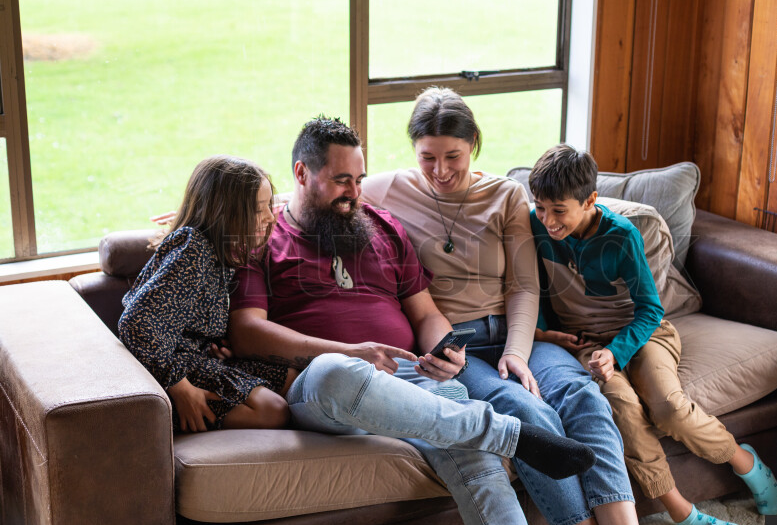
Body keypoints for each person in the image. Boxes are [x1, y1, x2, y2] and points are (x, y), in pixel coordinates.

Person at [118, 154, 593, 498]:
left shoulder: (225, 254)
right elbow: (137, 321)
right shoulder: (195, 249)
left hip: (213, 362)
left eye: (359, 179)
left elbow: (184, 319)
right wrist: (179, 385)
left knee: (274, 406)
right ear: (230, 212)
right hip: (194, 371)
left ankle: (504, 436)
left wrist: (208, 346)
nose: (270, 215)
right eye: (261, 208)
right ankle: (507, 434)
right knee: (291, 399)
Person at [226, 117, 593, 525]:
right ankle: (507, 433)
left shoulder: (381, 227)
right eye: (342, 181)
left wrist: (448, 354)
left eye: (359, 180)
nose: (355, 193)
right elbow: (246, 331)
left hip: (414, 379)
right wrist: (350, 351)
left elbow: (426, 313)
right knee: (334, 372)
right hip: (326, 386)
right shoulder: (265, 238)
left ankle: (498, 465)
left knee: (477, 465)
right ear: (302, 174)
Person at [362, 87, 646, 525]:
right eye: (427, 158)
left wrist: (517, 351)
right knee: (527, 413)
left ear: (473, 144)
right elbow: (323, 193)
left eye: (452, 155)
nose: (440, 170)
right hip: (458, 347)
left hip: (522, 334)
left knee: (584, 399)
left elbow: (524, 287)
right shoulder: (388, 190)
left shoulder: (507, 195)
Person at [527, 144, 777, 525]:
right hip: (586, 346)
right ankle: (683, 511)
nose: (547, 220)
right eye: (541, 208)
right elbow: (534, 289)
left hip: (642, 334)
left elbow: (651, 309)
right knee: (624, 413)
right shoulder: (536, 226)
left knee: (666, 405)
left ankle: (744, 461)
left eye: (559, 210)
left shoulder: (621, 236)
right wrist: (545, 332)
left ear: (590, 200)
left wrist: (617, 352)